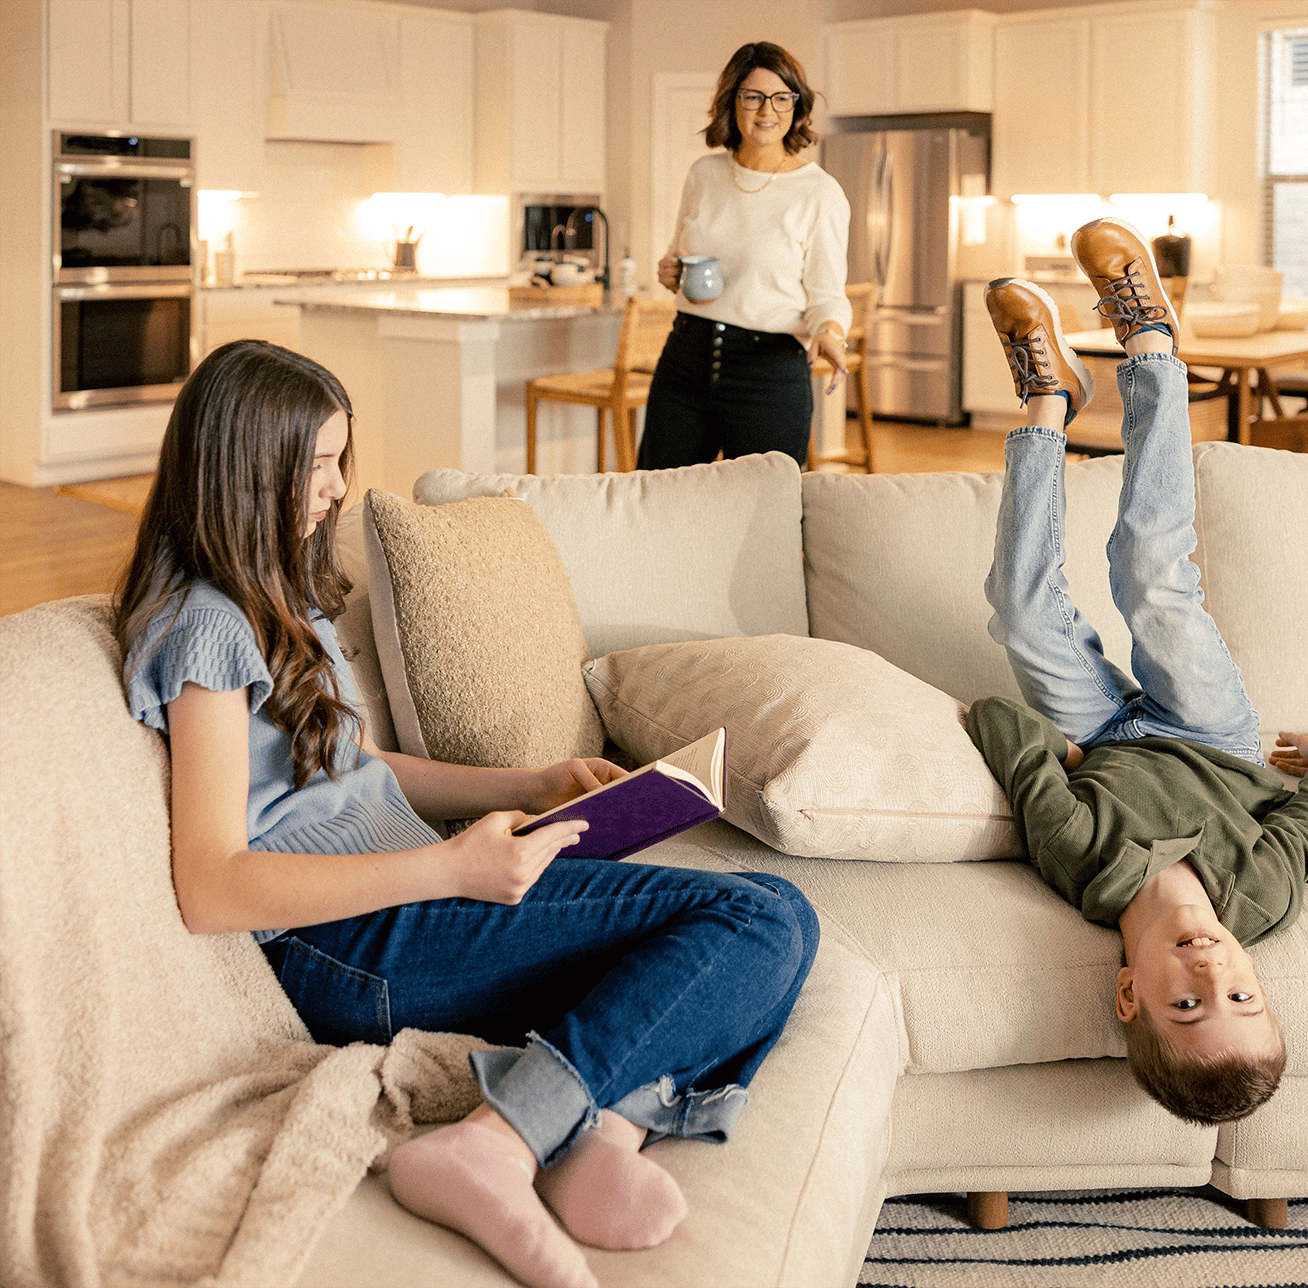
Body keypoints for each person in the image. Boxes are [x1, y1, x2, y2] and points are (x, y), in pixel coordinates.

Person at [114, 339, 819, 1288]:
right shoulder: (205, 625)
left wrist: (526, 787)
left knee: (774, 924)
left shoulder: (279, 594)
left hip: (407, 904)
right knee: (756, 917)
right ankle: (496, 1143)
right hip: (344, 945)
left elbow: (352, 767)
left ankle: (590, 1125)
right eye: (316, 466)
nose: (333, 492)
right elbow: (210, 884)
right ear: (246, 467)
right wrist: (450, 870)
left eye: (337, 462)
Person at [968, 219, 1308, 1126]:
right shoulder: (1257, 900)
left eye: (1186, 1004)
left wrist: (1065, 760)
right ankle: (1148, 339)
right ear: (1257, 976)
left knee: (1022, 613)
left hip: (1101, 738)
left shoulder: (1083, 866)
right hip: (1212, 736)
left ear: (1128, 996)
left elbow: (1001, 721)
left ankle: (1046, 406)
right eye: (1242, 996)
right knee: (1151, 573)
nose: (1211, 972)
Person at [638, 41, 852, 470]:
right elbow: (678, 257)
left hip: (767, 374)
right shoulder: (704, 173)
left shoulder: (819, 192)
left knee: (765, 517)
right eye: (753, 96)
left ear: (797, 105)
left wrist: (830, 331)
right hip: (685, 360)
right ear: (732, 101)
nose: (766, 111)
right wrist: (670, 272)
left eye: (781, 98)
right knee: (652, 503)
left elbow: (827, 293)